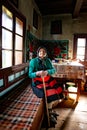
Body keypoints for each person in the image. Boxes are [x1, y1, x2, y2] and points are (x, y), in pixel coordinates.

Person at [28, 46, 64, 126]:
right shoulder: (33, 61)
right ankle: (48, 113)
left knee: (56, 89)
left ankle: (50, 111)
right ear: (37, 53)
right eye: (40, 52)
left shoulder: (47, 60)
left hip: (47, 80)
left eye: (44, 52)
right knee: (47, 93)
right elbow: (30, 74)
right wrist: (37, 73)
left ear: (46, 53)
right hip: (37, 82)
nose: (42, 53)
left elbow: (53, 70)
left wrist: (47, 72)